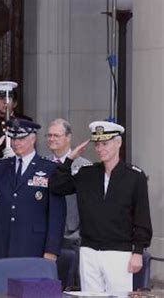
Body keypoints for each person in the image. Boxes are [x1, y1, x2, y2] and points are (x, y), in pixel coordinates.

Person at [50, 121, 152, 293]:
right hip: (89, 251)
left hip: (119, 253)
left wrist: (138, 252)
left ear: (118, 143)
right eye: (97, 144)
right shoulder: (86, 173)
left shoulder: (135, 176)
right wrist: (69, 160)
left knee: (119, 296)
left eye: (105, 144)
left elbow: (142, 216)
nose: (100, 149)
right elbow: (57, 187)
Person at [0, 118, 66, 290]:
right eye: (13, 139)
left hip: (33, 246)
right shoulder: (0, 167)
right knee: (1, 291)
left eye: (20, 138)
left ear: (33, 139)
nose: (16, 143)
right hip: (1, 246)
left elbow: (57, 214)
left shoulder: (50, 169)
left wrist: (51, 250)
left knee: (32, 292)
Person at [46, 118, 90, 288]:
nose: (52, 139)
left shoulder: (84, 167)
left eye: (56, 135)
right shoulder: (43, 164)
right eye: (49, 135)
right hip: (49, 236)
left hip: (73, 236)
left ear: (68, 137)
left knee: (74, 286)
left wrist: (79, 234)